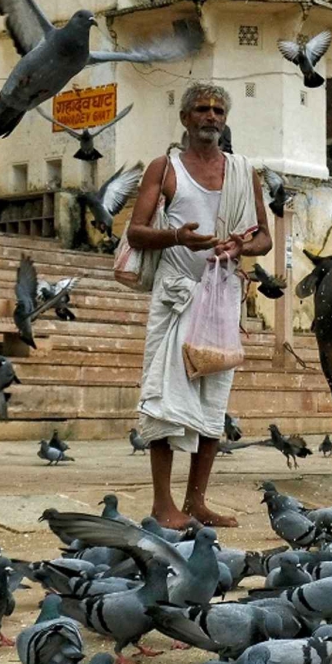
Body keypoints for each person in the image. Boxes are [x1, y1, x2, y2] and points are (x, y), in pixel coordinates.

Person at [126, 83, 271, 527]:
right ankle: (162, 505)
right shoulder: (164, 168)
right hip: (176, 295)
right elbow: (134, 232)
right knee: (165, 400)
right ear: (186, 119)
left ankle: (196, 502)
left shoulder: (245, 172)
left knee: (213, 399)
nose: (211, 117)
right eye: (203, 110)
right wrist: (176, 236)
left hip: (221, 294)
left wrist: (240, 248)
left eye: (218, 110)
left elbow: (264, 236)